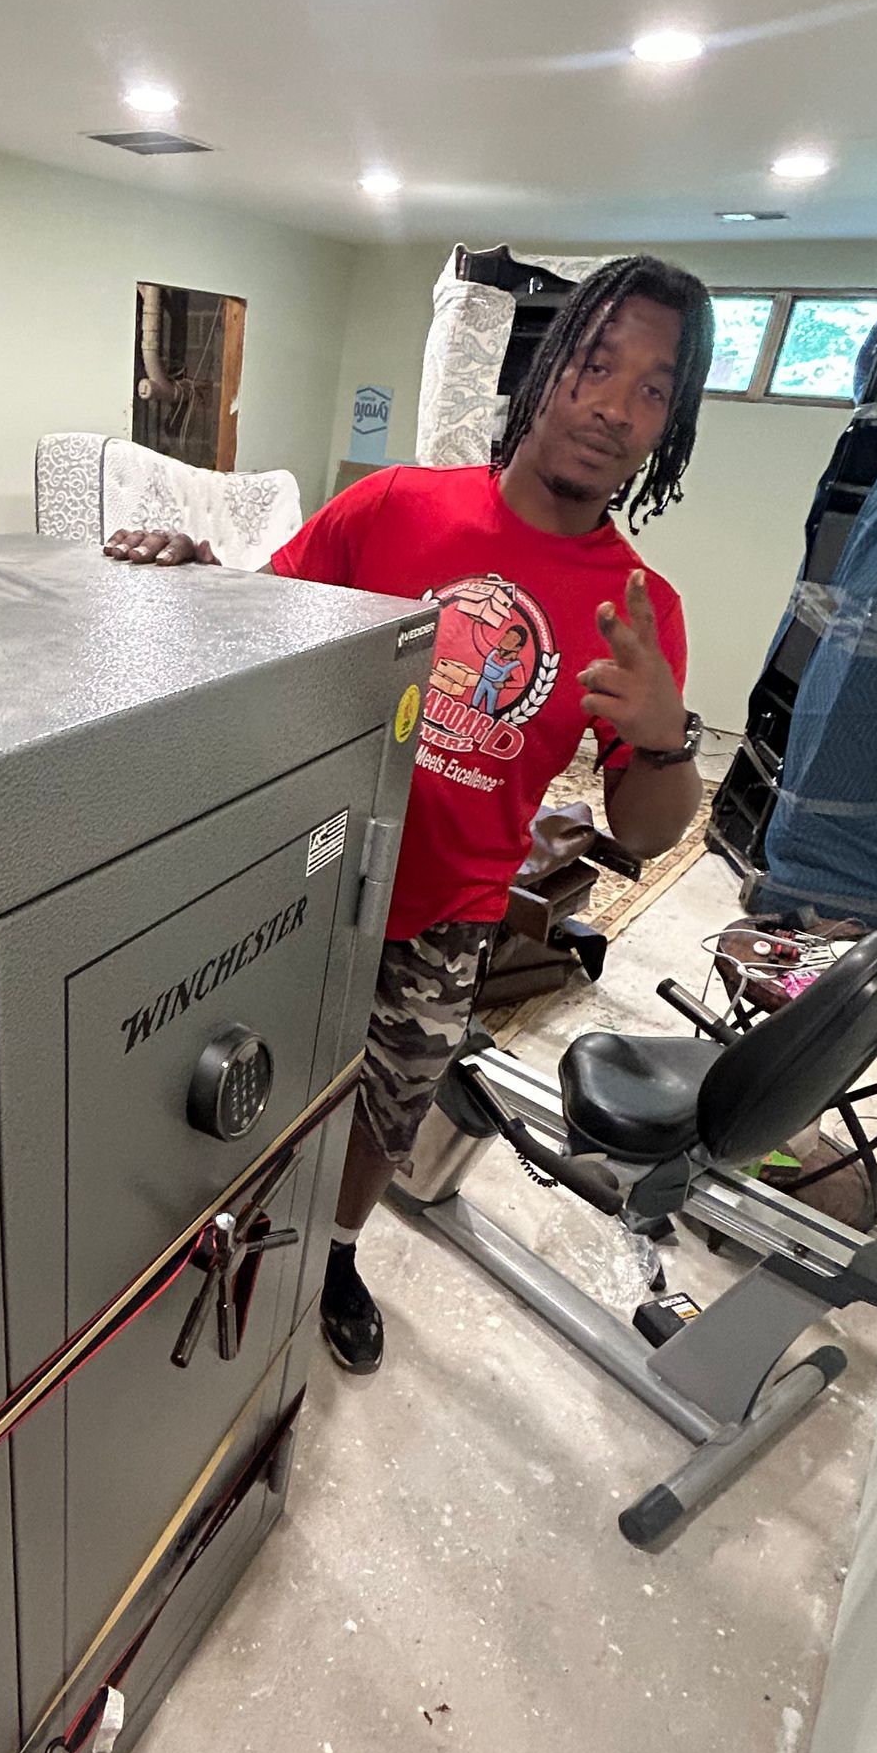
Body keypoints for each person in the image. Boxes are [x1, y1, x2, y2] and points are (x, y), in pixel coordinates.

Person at [105, 254, 714, 1373]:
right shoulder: (394, 507)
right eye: (596, 364)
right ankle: (213, 1239)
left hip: (447, 911)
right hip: (300, 876)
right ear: (545, 376)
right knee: (230, 1075)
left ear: (668, 427)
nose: (615, 406)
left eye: (654, 390)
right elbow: (261, 625)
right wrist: (194, 575)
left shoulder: (639, 607)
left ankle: (336, 1252)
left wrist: (669, 735)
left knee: (389, 1109)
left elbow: (645, 830)